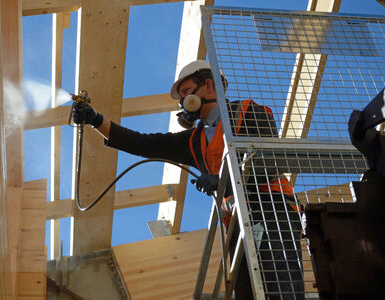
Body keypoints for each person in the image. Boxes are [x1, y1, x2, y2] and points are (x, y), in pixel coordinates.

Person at [72, 60, 304, 299]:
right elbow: (145, 143)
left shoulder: (248, 111)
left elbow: (267, 160)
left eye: (185, 92)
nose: (183, 100)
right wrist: (96, 120)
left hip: (272, 208)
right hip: (238, 223)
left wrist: (222, 179)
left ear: (209, 85)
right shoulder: (195, 140)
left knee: (282, 283)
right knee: (249, 292)